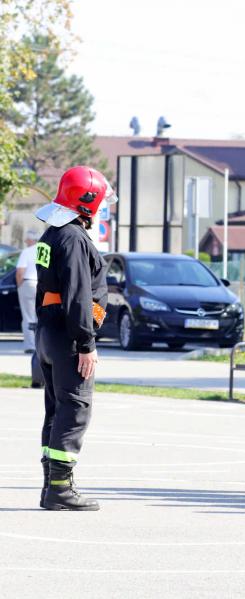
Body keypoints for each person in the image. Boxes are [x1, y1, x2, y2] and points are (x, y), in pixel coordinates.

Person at [34, 165, 114, 510]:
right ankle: (60, 490)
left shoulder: (52, 234)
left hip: (49, 333)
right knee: (75, 408)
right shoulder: (73, 238)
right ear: (88, 201)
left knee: (57, 409)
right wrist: (86, 344)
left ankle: (50, 487)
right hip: (68, 337)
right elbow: (79, 296)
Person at [16, 229, 40, 353]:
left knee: (28, 316)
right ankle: (40, 344)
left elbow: (20, 272)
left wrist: (19, 286)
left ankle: (30, 345)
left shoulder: (26, 252)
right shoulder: (43, 251)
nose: (25, 241)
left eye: (27, 239)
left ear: (31, 240)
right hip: (41, 285)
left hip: (28, 283)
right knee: (39, 316)